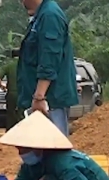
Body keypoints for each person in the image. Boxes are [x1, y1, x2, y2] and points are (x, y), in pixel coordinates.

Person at [17, 0, 78, 137]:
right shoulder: (41, 16)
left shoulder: (50, 16)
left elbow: (49, 58)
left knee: (53, 149)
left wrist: (39, 97)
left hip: (50, 100)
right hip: (45, 99)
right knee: (39, 151)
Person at [0, 57, 21, 131]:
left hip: (11, 93)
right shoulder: (26, 64)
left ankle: (10, 133)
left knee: (11, 115)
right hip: (23, 93)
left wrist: (1, 85)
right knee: (22, 114)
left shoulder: (9, 65)